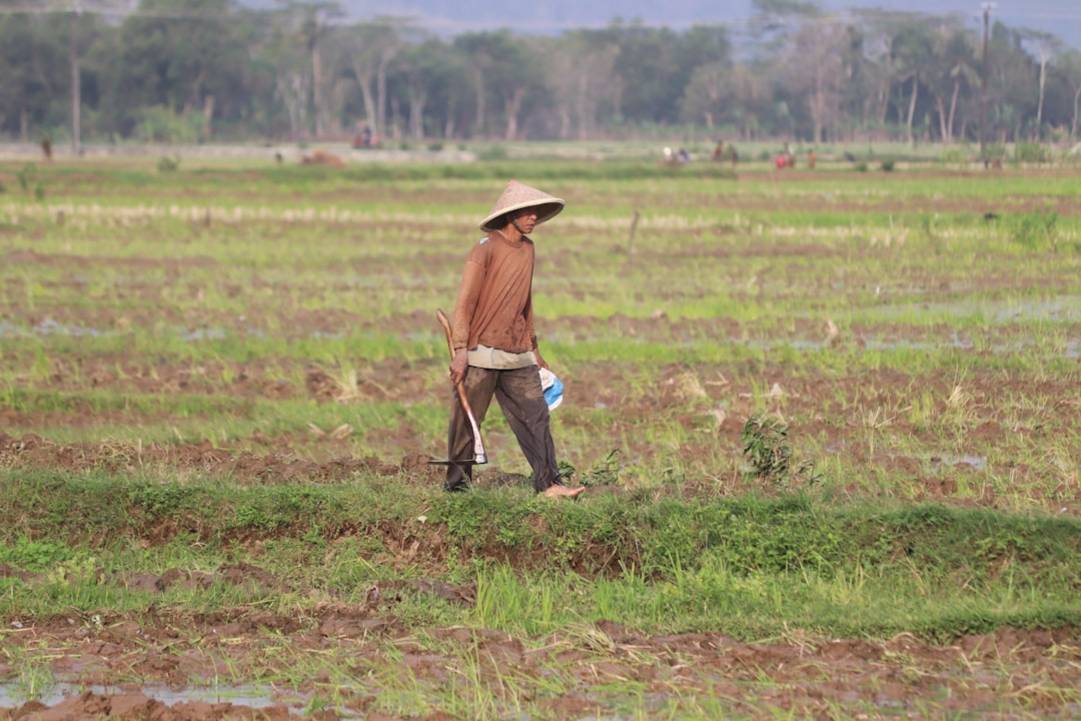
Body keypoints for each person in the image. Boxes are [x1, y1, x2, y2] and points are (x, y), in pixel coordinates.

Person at [445, 180, 585, 499]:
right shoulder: (484, 249)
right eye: (527, 212)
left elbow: (525, 303)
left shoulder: (528, 249)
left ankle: (549, 484)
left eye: (536, 213)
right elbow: (465, 302)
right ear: (511, 215)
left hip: (518, 352)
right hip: (481, 351)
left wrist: (534, 349)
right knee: (467, 421)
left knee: (536, 416)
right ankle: (457, 488)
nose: (534, 218)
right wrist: (460, 350)